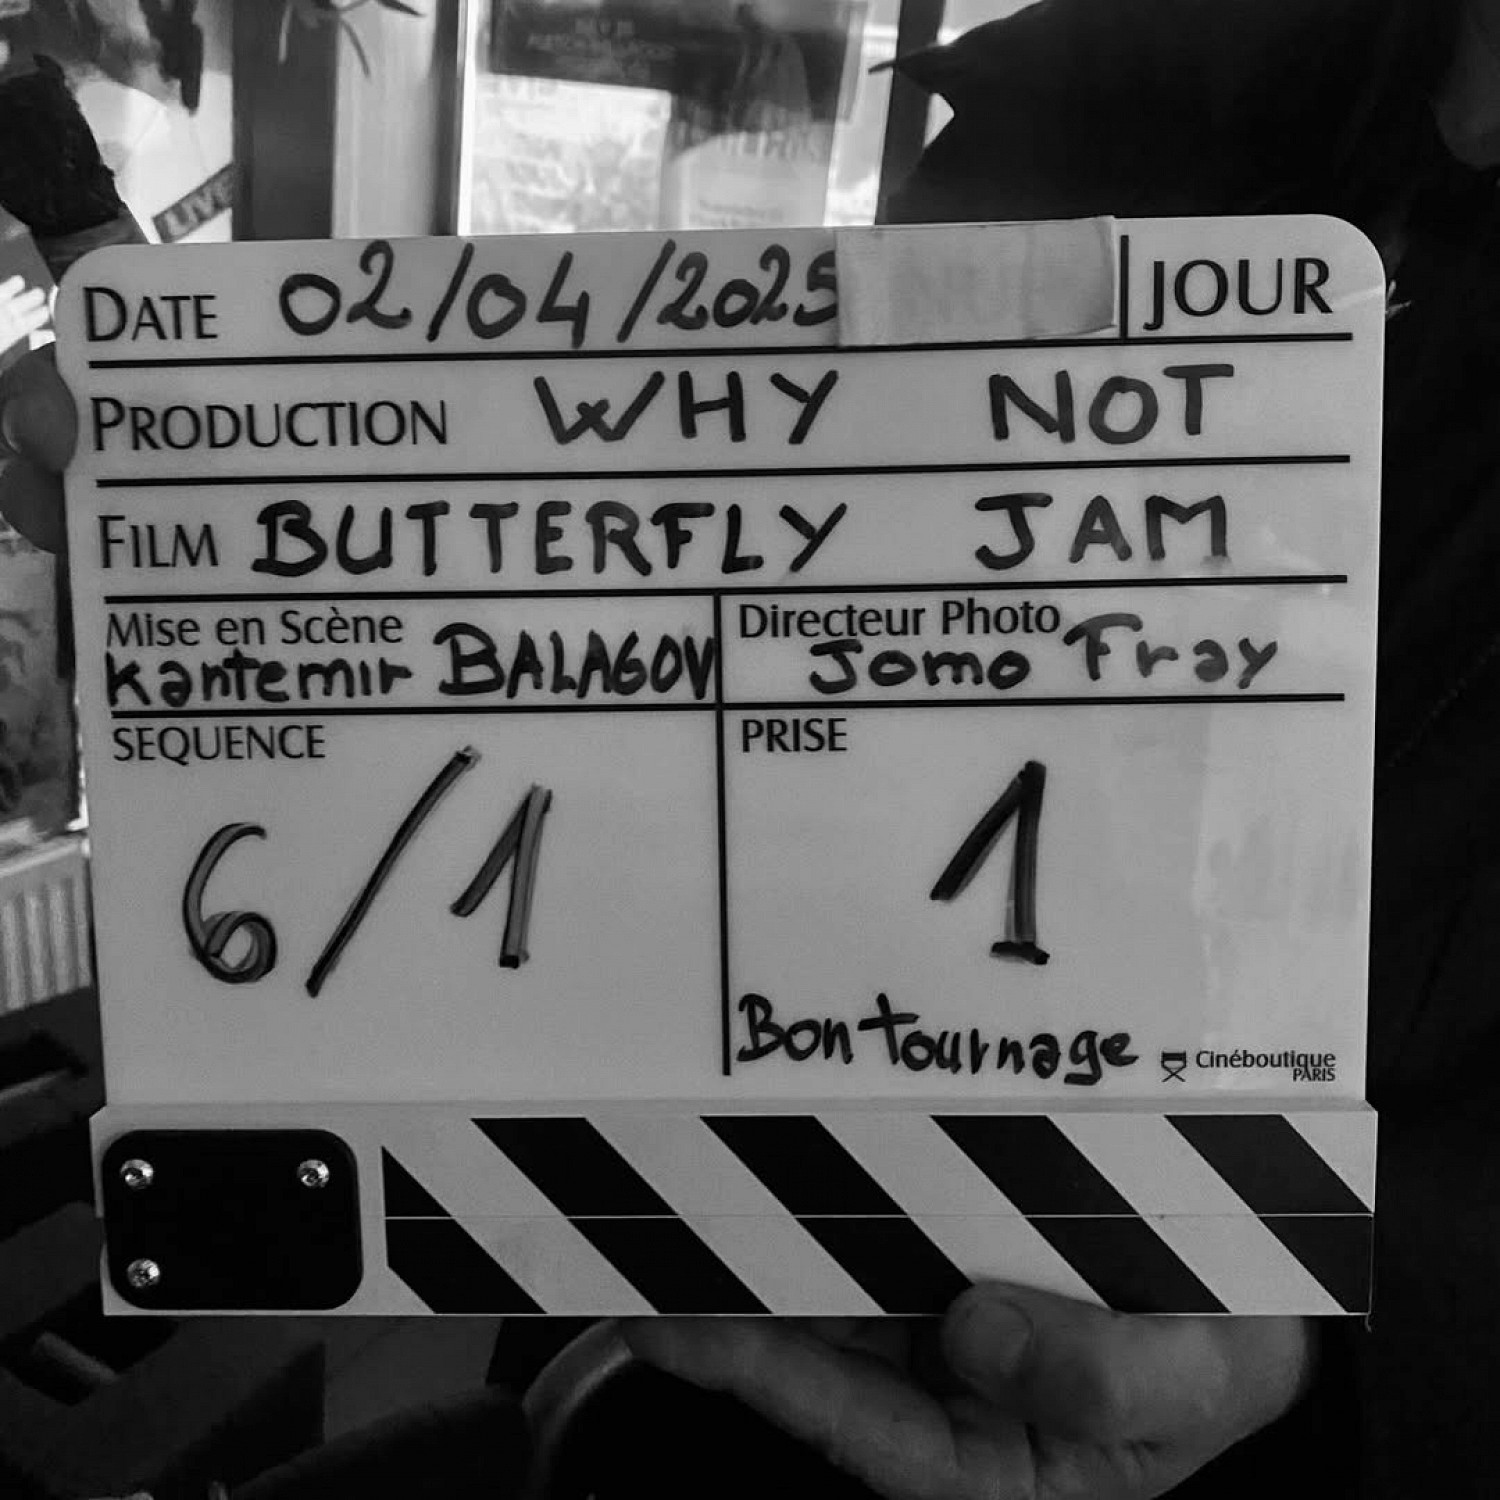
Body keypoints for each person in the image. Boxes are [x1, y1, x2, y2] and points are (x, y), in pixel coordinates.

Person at [7, 0, 1500, 1493]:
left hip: (1225, 1426)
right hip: (643, 1316)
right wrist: (277, 611)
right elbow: (772, 617)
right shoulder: (1116, 87)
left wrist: (1352, 1326)